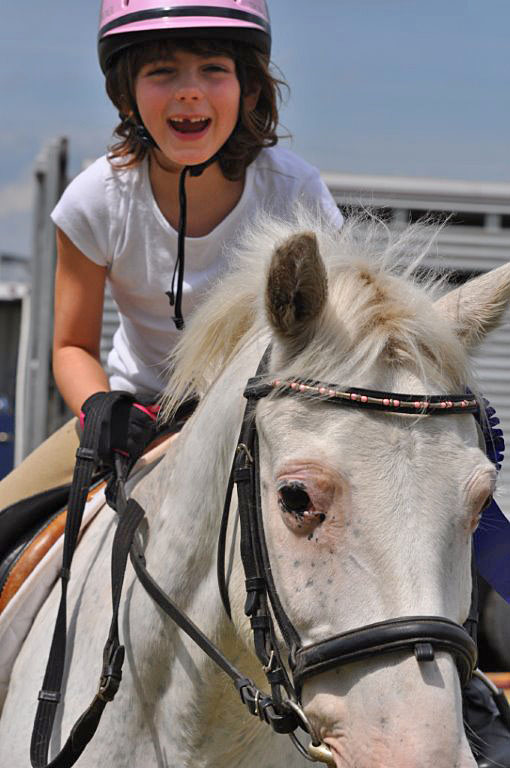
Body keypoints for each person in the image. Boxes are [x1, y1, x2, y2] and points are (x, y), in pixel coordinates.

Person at [0, 0, 342, 511]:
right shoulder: (94, 200)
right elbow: (71, 346)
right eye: (162, 71)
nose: (189, 89)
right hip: (133, 417)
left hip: (261, 420)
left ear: (249, 87)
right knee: (6, 513)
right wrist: (100, 409)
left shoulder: (296, 193)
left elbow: (335, 328)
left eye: (213, 69)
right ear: (125, 92)